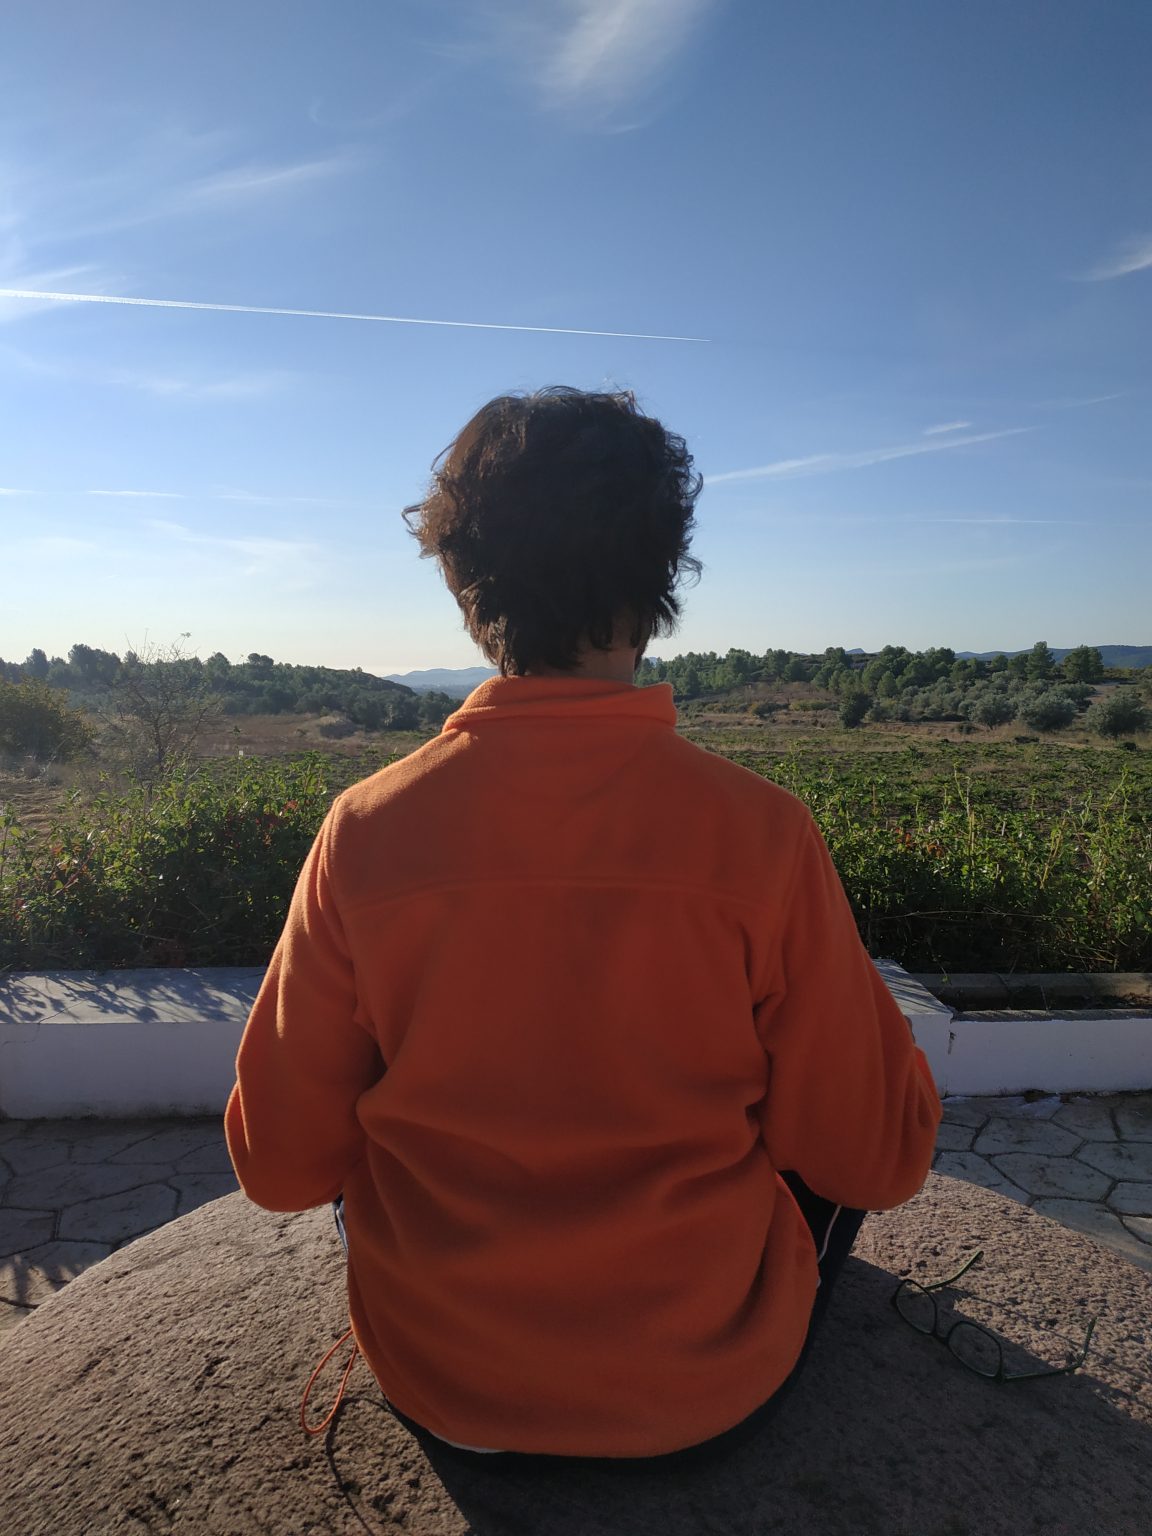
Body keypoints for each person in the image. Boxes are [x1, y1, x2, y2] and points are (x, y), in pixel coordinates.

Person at [225, 385, 942, 1473]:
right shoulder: (761, 837)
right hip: (705, 1393)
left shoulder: (364, 833)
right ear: (660, 582)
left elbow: (281, 1168)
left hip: (444, 1385)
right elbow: (874, 1160)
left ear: (464, 582)